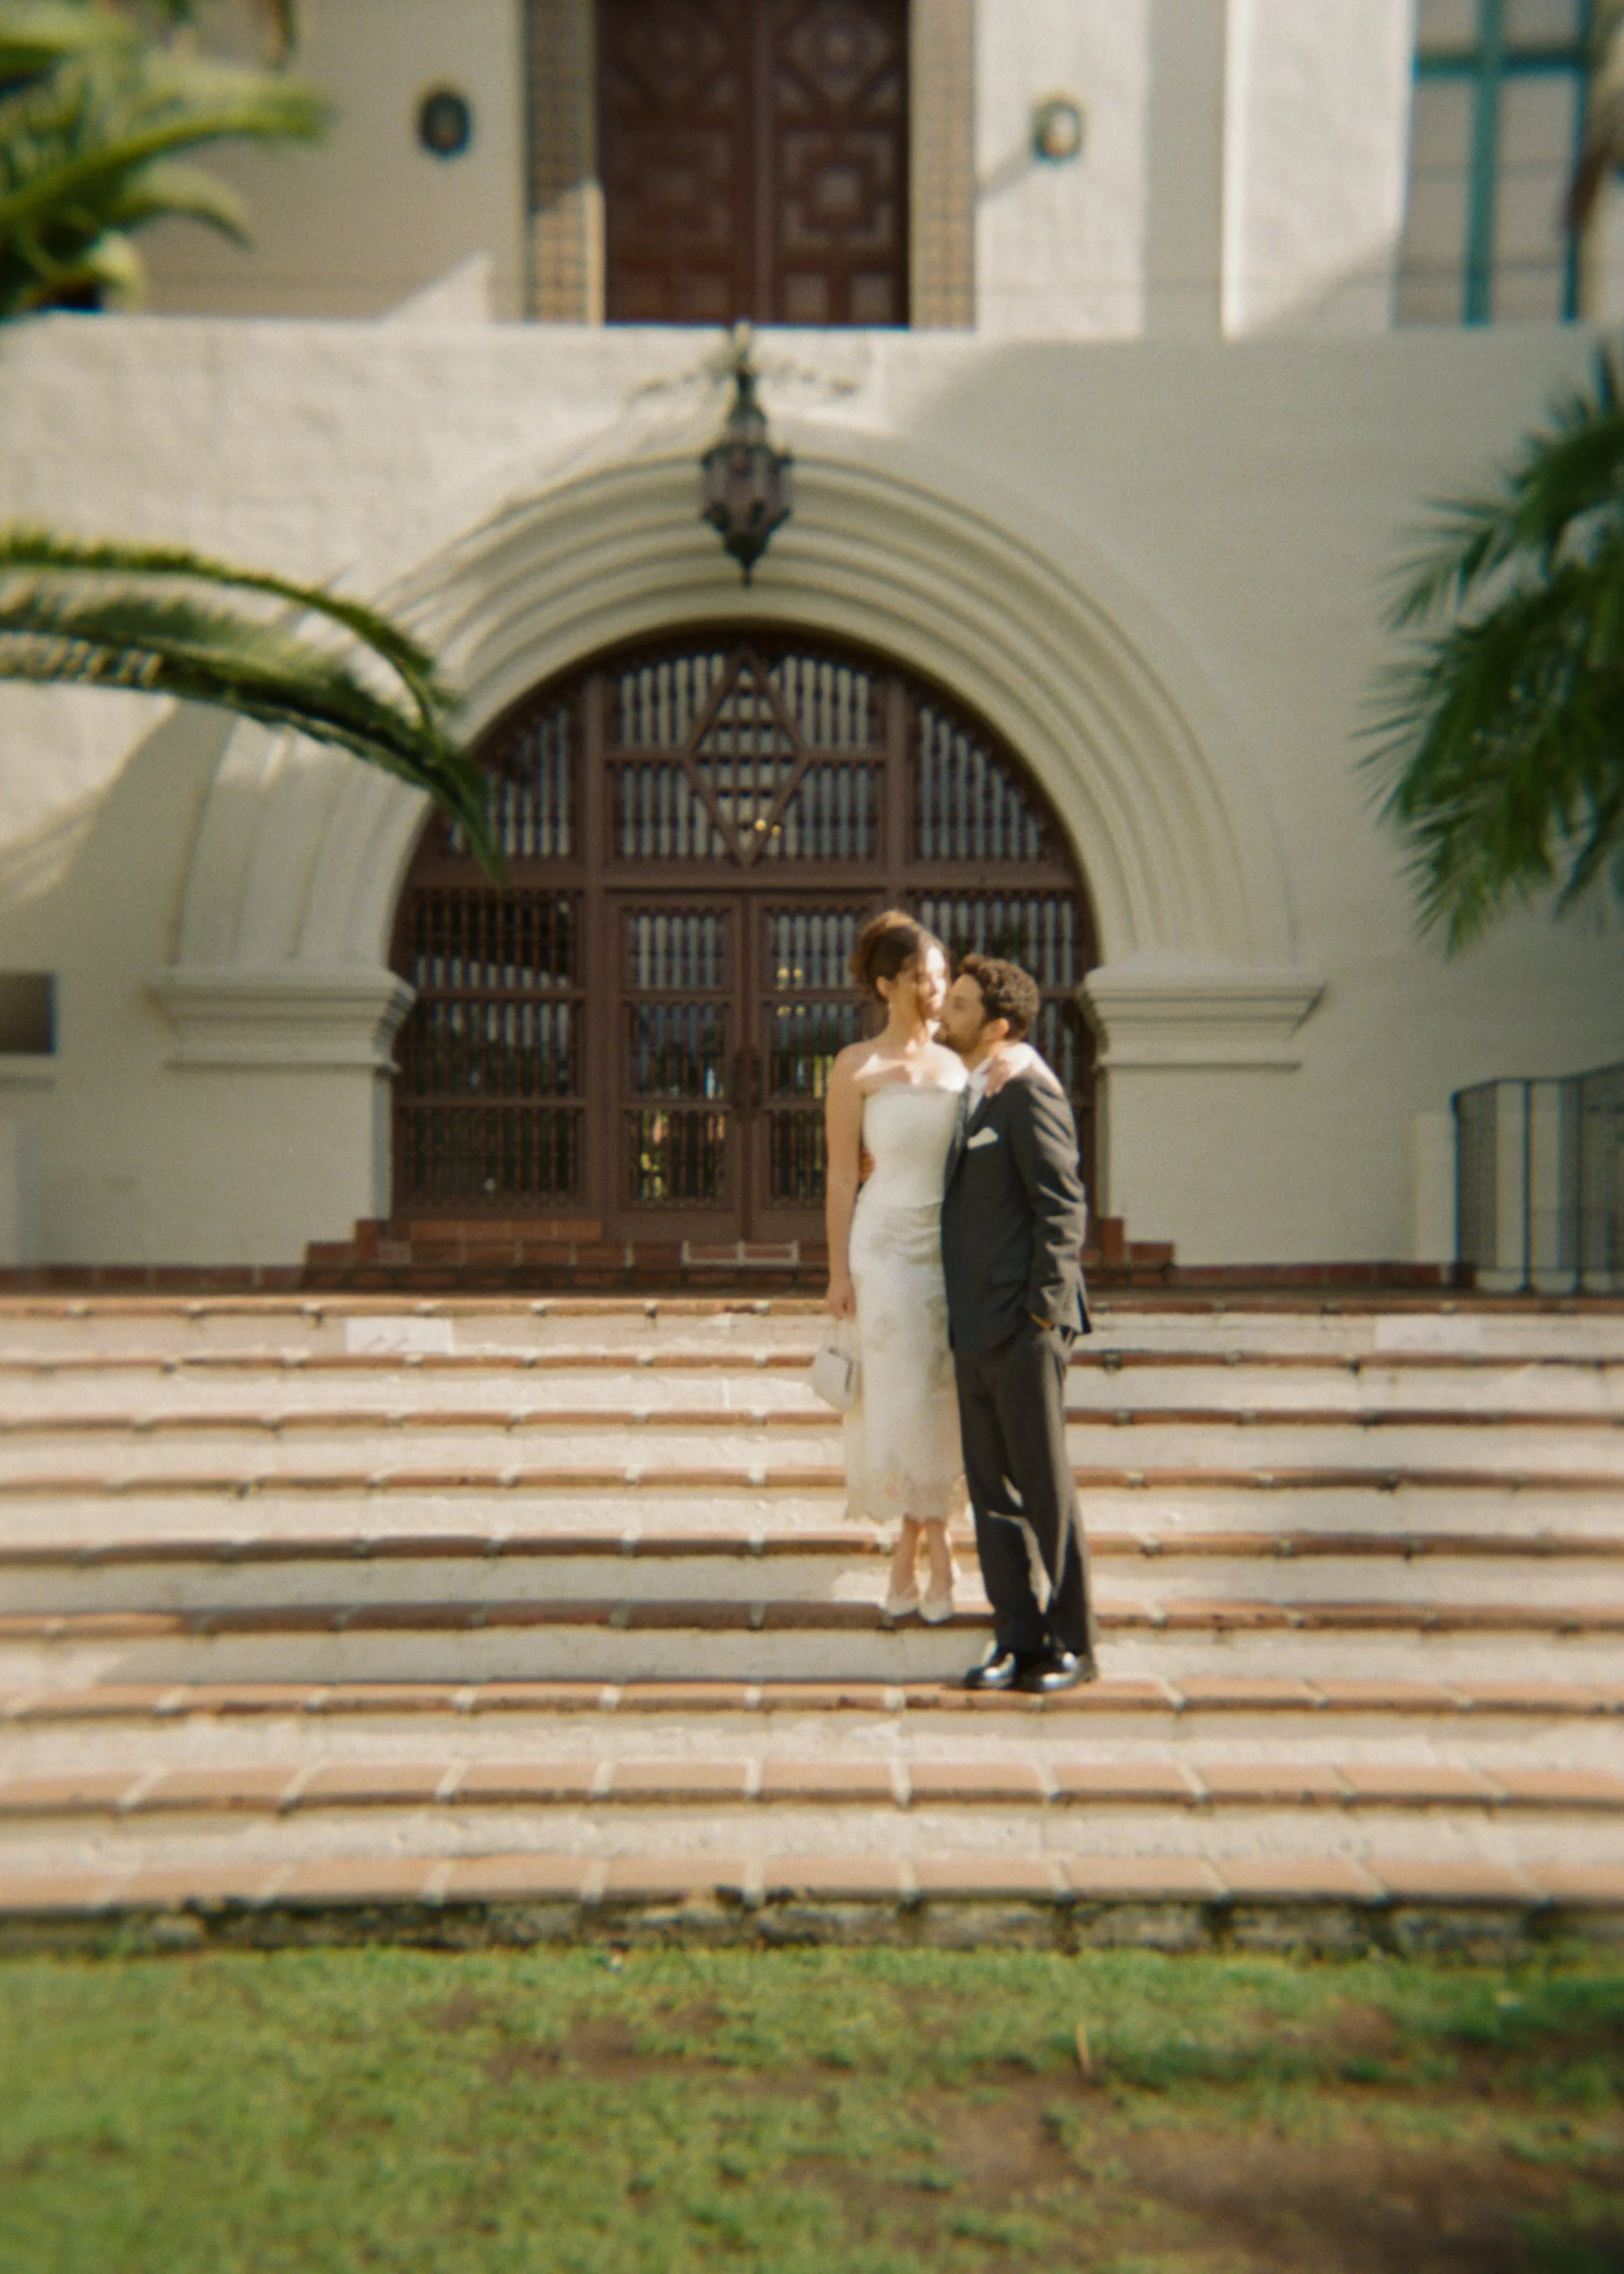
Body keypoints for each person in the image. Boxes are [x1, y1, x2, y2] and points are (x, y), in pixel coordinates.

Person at [824, 912, 1063, 1622]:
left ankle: (918, 1544)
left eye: (941, 976)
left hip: (953, 1247)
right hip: (883, 1248)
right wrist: (836, 1271)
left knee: (944, 1398)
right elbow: (841, 1177)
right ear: (886, 984)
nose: (936, 989)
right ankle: (925, 1548)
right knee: (897, 1395)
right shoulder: (855, 1067)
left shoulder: (966, 1063)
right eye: (924, 977)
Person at [937, 953, 1097, 1694]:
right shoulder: (972, 1093)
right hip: (972, 1327)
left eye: (961, 1006)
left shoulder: (1027, 1088)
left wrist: (1043, 1310)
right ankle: (1015, 1637)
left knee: (1042, 1486)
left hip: (1024, 1325)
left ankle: (1073, 1643)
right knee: (992, 1495)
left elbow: (1062, 1204)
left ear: (998, 1025)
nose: (945, 1013)